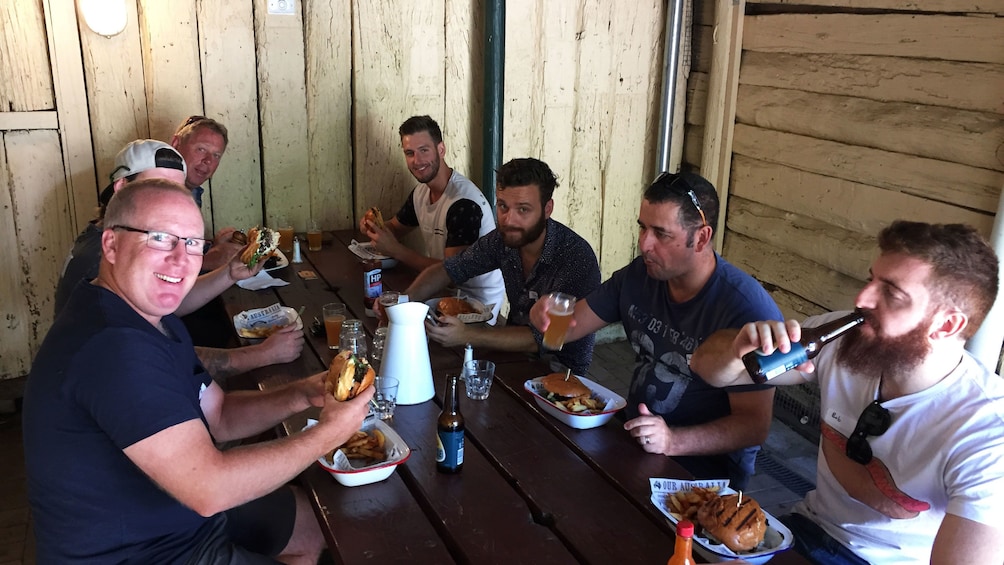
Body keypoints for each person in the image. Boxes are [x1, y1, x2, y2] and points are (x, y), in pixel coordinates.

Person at [24, 178, 374, 563]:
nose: (181, 259)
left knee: (315, 522)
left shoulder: (151, 315)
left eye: (192, 243)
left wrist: (301, 393)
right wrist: (328, 434)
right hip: (143, 551)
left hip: (177, 514)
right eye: (160, 238)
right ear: (111, 244)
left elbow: (219, 415)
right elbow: (209, 489)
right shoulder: (113, 346)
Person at [690, 221, 1004, 564]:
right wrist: (737, 350)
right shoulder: (846, 338)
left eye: (891, 293)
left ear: (947, 325)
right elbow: (707, 369)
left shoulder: (988, 431)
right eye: (871, 279)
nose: (862, 299)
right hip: (804, 531)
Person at [529, 171, 782, 489]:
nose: (644, 244)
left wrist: (672, 441)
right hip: (634, 443)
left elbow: (753, 426)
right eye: (642, 227)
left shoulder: (746, 308)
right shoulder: (640, 275)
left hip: (702, 475)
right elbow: (570, 328)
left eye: (661, 234)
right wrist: (546, 314)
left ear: (701, 238)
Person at [55, 140, 303, 382]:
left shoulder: (105, 236)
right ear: (122, 188)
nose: (170, 201)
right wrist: (263, 354)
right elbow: (163, 360)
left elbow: (173, 304)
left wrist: (229, 273)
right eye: (156, 188)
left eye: (177, 191)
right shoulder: (103, 257)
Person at [401, 157, 601, 375]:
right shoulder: (503, 239)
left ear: (547, 209)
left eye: (523, 209)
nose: (508, 219)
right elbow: (448, 269)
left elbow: (544, 338)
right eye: (503, 206)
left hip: (561, 374)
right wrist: (402, 303)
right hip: (513, 358)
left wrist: (467, 335)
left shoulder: (575, 258)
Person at [359, 115, 505, 323]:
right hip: (441, 294)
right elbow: (394, 228)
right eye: (410, 153)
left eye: (424, 150)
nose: (417, 161)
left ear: (441, 150)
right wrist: (373, 226)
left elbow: (453, 275)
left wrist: (396, 250)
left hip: (478, 307)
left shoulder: (463, 204)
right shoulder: (421, 192)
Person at [171, 115, 243, 271]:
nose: (208, 160)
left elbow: (184, 250)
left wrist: (215, 248)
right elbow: (149, 266)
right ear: (176, 144)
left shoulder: (193, 191)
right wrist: (208, 260)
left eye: (216, 155)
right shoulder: (153, 194)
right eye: (201, 149)